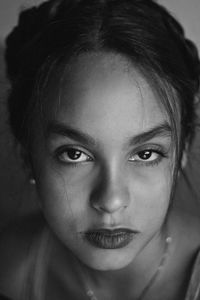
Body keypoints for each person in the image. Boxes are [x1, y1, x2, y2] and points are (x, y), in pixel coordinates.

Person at [0, 0, 200, 299]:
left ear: (182, 148)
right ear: (27, 155)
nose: (111, 201)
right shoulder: (9, 266)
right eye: (74, 154)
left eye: (146, 154)